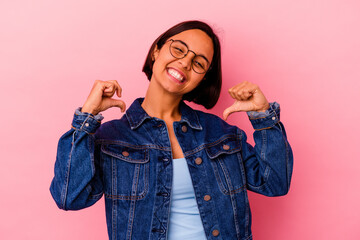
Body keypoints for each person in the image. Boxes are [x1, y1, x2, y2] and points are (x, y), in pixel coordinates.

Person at [50, 20, 293, 240]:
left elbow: (274, 183)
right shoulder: (111, 139)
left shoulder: (220, 133)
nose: (185, 62)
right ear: (157, 50)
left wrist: (263, 116)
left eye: (198, 63)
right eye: (179, 49)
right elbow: (69, 197)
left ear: (203, 78)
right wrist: (86, 118)